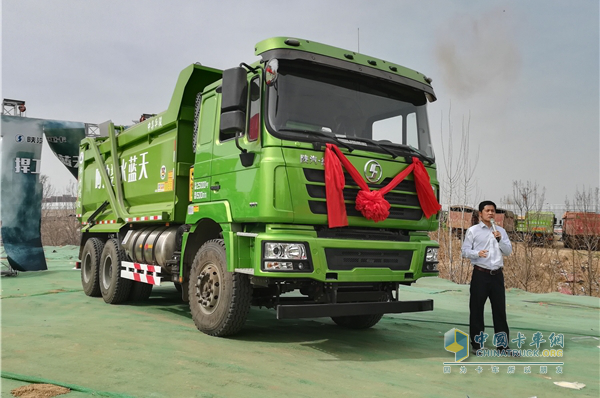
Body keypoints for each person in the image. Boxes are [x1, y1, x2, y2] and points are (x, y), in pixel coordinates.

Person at [461, 200, 513, 352]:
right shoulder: (473, 231)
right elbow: (464, 251)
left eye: (493, 211)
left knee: (500, 311)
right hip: (480, 274)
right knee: (477, 310)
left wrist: (500, 240)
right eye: (487, 210)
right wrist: (477, 253)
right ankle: (477, 345)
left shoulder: (501, 231)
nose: (491, 213)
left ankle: (503, 346)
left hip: (497, 276)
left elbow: (508, 251)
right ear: (480, 213)